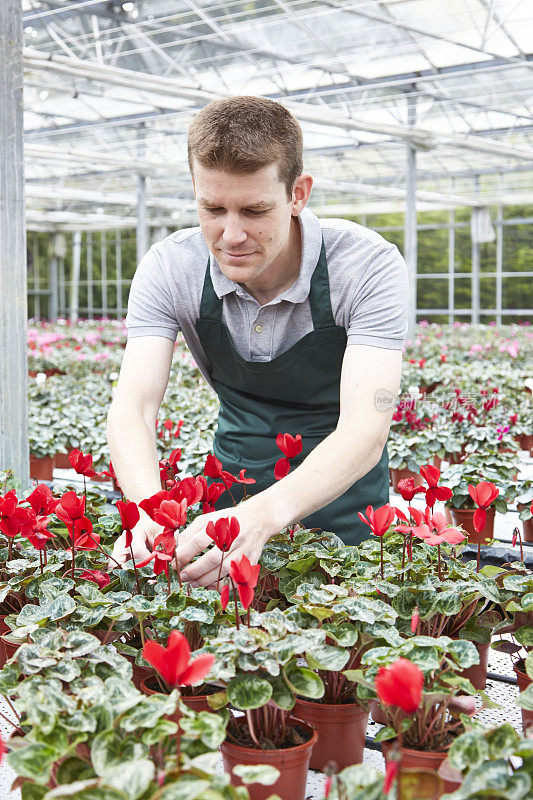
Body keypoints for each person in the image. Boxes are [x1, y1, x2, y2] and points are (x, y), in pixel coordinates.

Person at [107, 95, 408, 586]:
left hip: (342, 514)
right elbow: (133, 408)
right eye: (213, 208)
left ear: (298, 194)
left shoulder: (367, 266)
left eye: (254, 209)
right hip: (228, 501)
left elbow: (365, 431)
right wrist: (145, 511)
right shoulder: (170, 268)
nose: (231, 234)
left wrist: (265, 518)